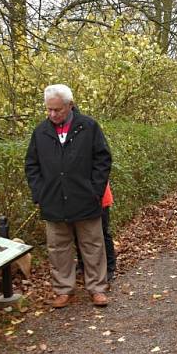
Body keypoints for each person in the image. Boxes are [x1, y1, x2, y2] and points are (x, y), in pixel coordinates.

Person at [25, 84, 112, 308]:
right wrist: (40, 193)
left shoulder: (89, 127)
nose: (52, 114)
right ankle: (64, 290)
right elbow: (31, 165)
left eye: (57, 110)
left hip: (85, 199)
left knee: (93, 245)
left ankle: (97, 289)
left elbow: (102, 159)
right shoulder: (40, 132)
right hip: (53, 201)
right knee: (58, 248)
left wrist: (95, 190)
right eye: (49, 110)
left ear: (69, 106)